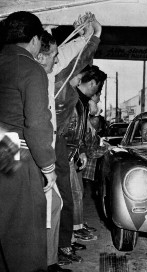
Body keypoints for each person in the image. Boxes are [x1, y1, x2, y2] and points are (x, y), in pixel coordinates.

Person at [0, 11, 56, 272]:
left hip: (2, 144)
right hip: (13, 149)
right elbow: (36, 124)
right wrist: (48, 167)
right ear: (35, 40)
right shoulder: (31, 68)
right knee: (25, 233)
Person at [54, 15, 103, 264]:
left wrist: (88, 37)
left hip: (50, 147)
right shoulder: (58, 84)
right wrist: (92, 36)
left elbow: (82, 60)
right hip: (44, 147)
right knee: (58, 200)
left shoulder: (63, 87)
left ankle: (60, 248)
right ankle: (56, 251)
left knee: (59, 200)